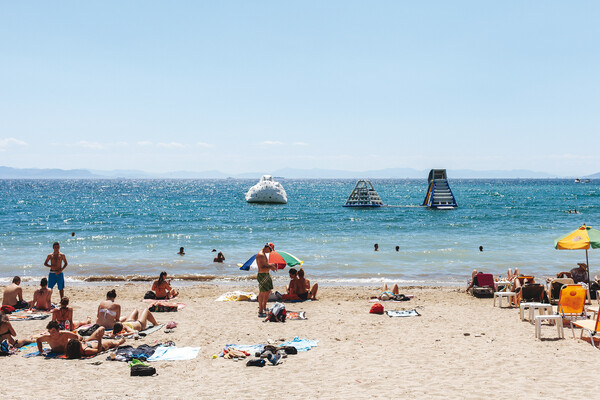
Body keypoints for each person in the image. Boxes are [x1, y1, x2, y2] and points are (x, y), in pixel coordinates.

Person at [256, 243, 277, 317]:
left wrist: (271, 265)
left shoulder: (264, 254)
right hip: (262, 275)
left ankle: (264, 307)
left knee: (268, 291)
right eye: (270, 250)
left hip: (266, 274)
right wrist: (271, 267)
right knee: (262, 292)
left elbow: (265, 265)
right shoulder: (261, 255)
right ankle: (260, 310)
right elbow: (262, 268)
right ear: (267, 247)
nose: (270, 252)